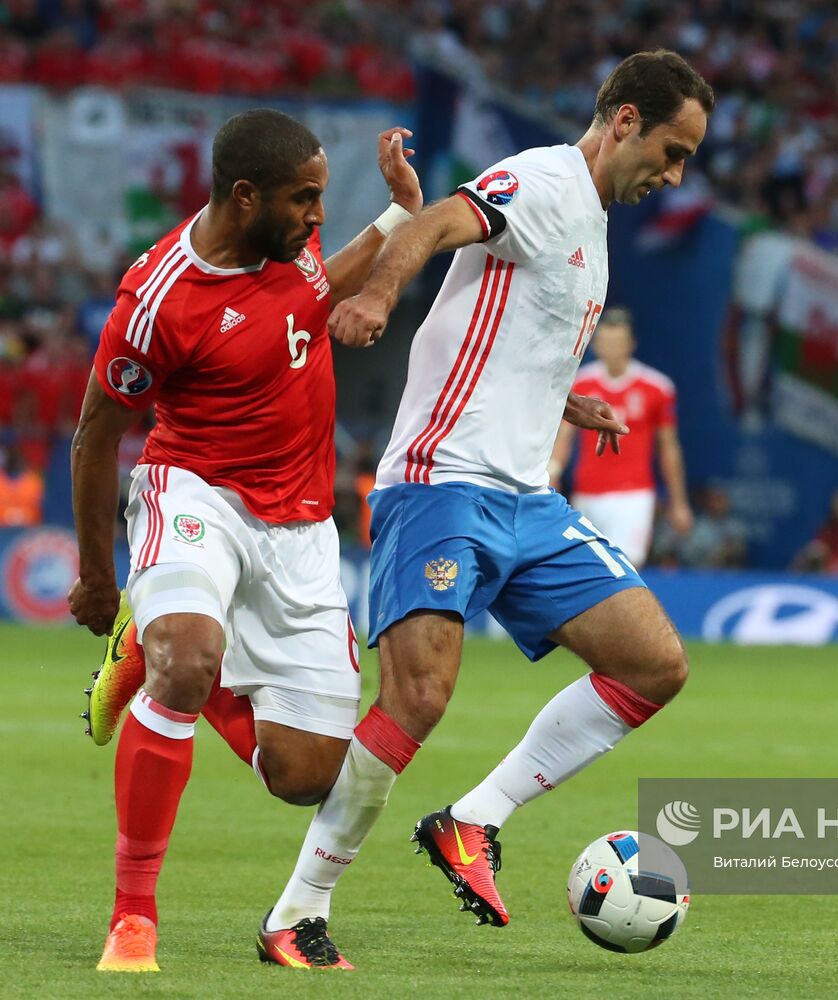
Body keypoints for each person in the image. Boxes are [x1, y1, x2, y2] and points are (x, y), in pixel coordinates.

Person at [273, 49, 713, 932]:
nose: (671, 176)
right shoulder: (544, 180)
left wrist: (565, 397)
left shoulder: (589, 222)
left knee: (654, 664)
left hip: (526, 497)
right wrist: (382, 296)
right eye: (671, 152)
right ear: (624, 120)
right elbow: (436, 222)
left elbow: (515, 327)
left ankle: (473, 819)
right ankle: (299, 912)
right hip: (441, 481)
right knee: (418, 698)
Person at [68, 108, 423, 972]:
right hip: (197, 494)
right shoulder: (155, 302)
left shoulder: (281, 244)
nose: (314, 217)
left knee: (301, 777)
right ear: (244, 195)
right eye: (306, 201)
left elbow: (310, 294)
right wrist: (96, 577)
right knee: (185, 664)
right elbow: (94, 434)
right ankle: (133, 918)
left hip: (300, 525)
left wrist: (399, 216)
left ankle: (148, 657)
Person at [548, 306, 693, 565]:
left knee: (627, 566)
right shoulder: (580, 384)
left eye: (618, 342)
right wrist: (554, 472)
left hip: (633, 494)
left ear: (631, 344)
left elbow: (668, 447)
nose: (611, 349)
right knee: (586, 567)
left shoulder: (656, 387)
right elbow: (564, 436)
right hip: (588, 491)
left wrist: (678, 502)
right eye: (606, 341)